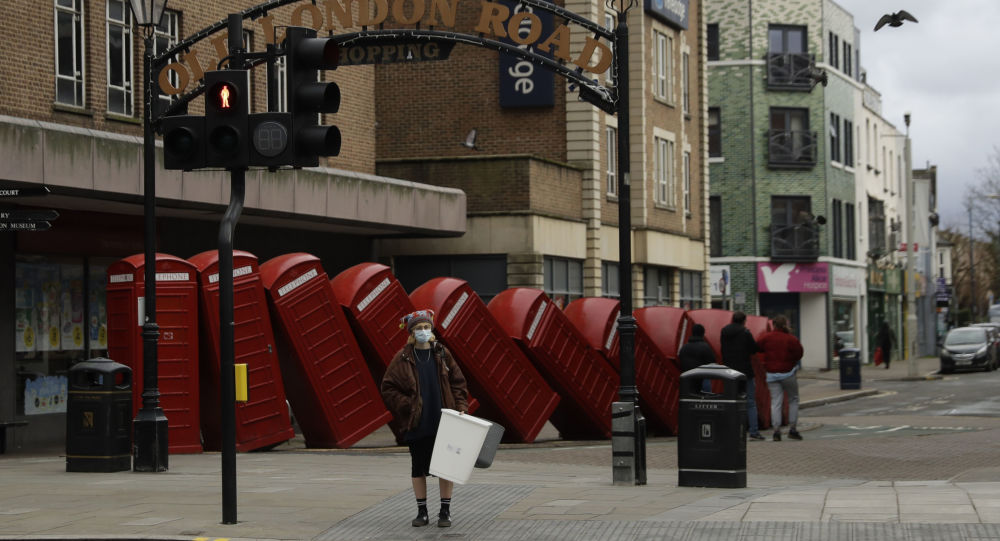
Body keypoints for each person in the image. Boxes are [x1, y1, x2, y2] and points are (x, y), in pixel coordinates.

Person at [380, 309, 470, 528]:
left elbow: (458, 382)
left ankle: (445, 511)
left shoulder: (441, 353)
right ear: (411, 332)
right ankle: (422, 512)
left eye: (426, 327)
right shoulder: (403, 357)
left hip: (444, 419)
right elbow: (387, 387)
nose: (423, 331)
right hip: (418, 421)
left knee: (446, 467)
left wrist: (461, 406)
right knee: (417, 468)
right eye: (419, 328)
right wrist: (408, 405)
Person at [757, 315, 804, 441]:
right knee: (793, 399)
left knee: (775, 402)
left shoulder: (766, 337)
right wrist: (791, 361)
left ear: (774, 325)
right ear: (785, 325)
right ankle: (792, 429)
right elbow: (799, 353)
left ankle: (776, 431)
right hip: (788, 373)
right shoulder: (791, 339)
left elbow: (758, 347)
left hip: (771, 374)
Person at [720, 311, 764, 441]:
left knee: (731, 401)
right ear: (744, 320)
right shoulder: (745, 332)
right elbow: (753, 349)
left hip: (729, 372)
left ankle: (731, 431)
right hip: (745, 371)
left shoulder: (724, 332)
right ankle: (754, 432)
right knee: (750, 402)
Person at [678, 324, 718, 392]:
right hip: (701, 380)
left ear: (692, 332)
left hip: (687, 380)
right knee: (707, 398)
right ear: (703, 333)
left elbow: (681, 362)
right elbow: (712, 362)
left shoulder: (684, 348)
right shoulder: (705, 347)